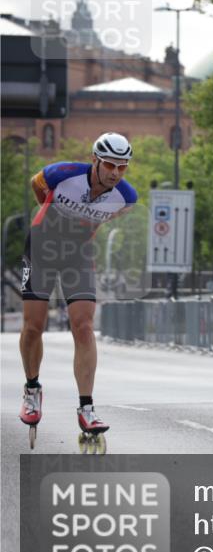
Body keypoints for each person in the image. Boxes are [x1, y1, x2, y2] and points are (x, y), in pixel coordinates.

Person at [19, 132, 138, 452]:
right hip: (43, 245)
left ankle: (87, 407)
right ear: (96, 161)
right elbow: (36, 184)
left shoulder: (126, 196)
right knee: (33, 325)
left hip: (78, 253)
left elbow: (108, 216)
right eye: (110, 164)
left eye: (122, 167)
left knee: (84, 325)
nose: (115, 173)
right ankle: (32, 389)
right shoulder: (63, 174)